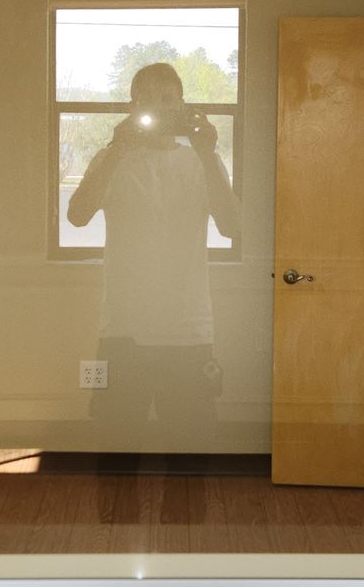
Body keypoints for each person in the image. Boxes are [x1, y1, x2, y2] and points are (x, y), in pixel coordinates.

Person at [65, 62, 240, 447]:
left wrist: (208, 152)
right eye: (148, 100)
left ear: (183, 105)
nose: (159, 109)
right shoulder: (112, 159)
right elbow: (77, 215)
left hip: (189, 327)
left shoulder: (201, 160)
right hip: (124, 327)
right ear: (133, 106)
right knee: (115, 446)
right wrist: (115, 149)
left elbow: (230, 226)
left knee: (191, 450)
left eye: (168, 99)